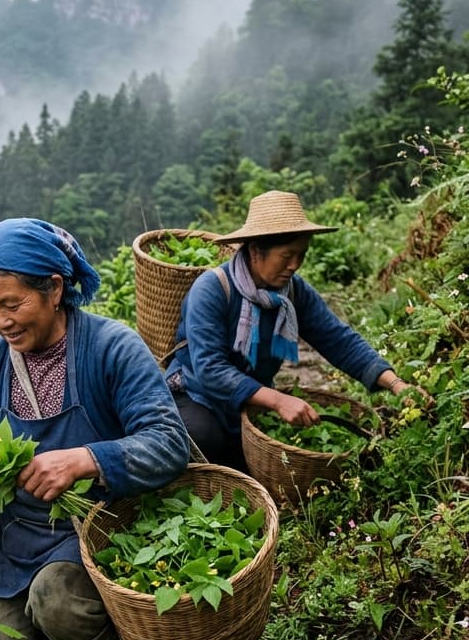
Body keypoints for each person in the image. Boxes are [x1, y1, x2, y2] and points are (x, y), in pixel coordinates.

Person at [0, 217, 190, 640]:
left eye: (12, 304)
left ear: (54, 288)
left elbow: (169, 443)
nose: (0, 321)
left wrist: (85, 459)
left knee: (59, 599)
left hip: (95, 527)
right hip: (16, 536)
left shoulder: (111, 348)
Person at [165, 189, 415, 471]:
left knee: (270, 453)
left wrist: (396, 384)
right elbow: (210, 370)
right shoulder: (212, 290)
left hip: (252, 401)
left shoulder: (293, 292)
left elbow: (337, 339)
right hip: (199, 395)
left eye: (301, 255)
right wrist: (278, 400)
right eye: (287, 255)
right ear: (256, 251)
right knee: (204, 439)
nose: (294, 265)